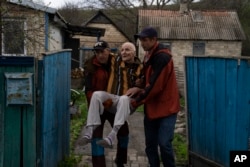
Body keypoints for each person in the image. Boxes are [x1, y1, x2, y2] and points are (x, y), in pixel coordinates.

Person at [126, 26, 180, 167]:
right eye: (140, 40)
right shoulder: (148, 55)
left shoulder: (162, 57)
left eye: (145, 40)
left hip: (167, 108)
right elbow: (148, 78)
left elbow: (155, 86)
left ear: (154, 40)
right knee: (150, 145)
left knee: (164, 144)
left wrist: (135, 102)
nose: (142, 43)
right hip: (152, 108)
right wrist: (141, 82)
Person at [80, 42, 143, 149]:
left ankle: (112, 136)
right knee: (96, 95)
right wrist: (88, 65)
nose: (124, 52)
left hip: (128, 103)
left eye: (127, 50)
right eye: (122, 50)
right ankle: (89, 131)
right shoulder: (115, 60)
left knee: (124, 99)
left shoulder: (140, 68)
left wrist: (139, 87)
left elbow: (147, 85)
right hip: (113, 100)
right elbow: (98, 57)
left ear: (134, 53)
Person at [82, 40, 131, 167]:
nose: (100, 55)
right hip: (98, 107)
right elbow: (88, 91)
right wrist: (100, 103)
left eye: (102, 52)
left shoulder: (116, 63)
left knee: (124, 130)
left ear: (108, 51)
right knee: (96, 137)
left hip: (112, 105)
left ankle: (120, 161)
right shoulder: (90, 66)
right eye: (97, 52)